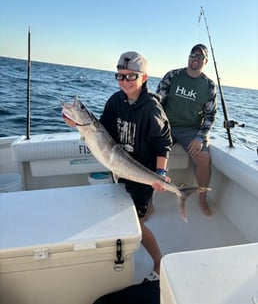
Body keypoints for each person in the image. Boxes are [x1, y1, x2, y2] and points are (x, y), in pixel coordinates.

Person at [64, 51, 172, 278]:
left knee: (137, 225)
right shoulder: (115, 100)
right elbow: (104, 130)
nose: (124, 81)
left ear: (144, 78)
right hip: (120, 168)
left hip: (143, 174)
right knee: (128, 209)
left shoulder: (152, 109)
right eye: (120, 76)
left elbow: (163, 144)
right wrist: (78, 123)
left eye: (131, 76)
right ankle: (147, 208)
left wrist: (160, 173)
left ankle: (159, 261)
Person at [156, 44, 217, 216]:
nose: (196, 58)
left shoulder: (209, 86)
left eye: (200, 56)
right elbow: (157, 103)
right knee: (146, 150)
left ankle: (202, 198)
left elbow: (210, 116)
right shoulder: (173, 75)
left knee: (204, 158)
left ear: (205, 61)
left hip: (190, 131)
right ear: (188, 57)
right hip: (166, 125)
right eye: (193, 54)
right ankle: (147, 201)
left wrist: (199, 138)